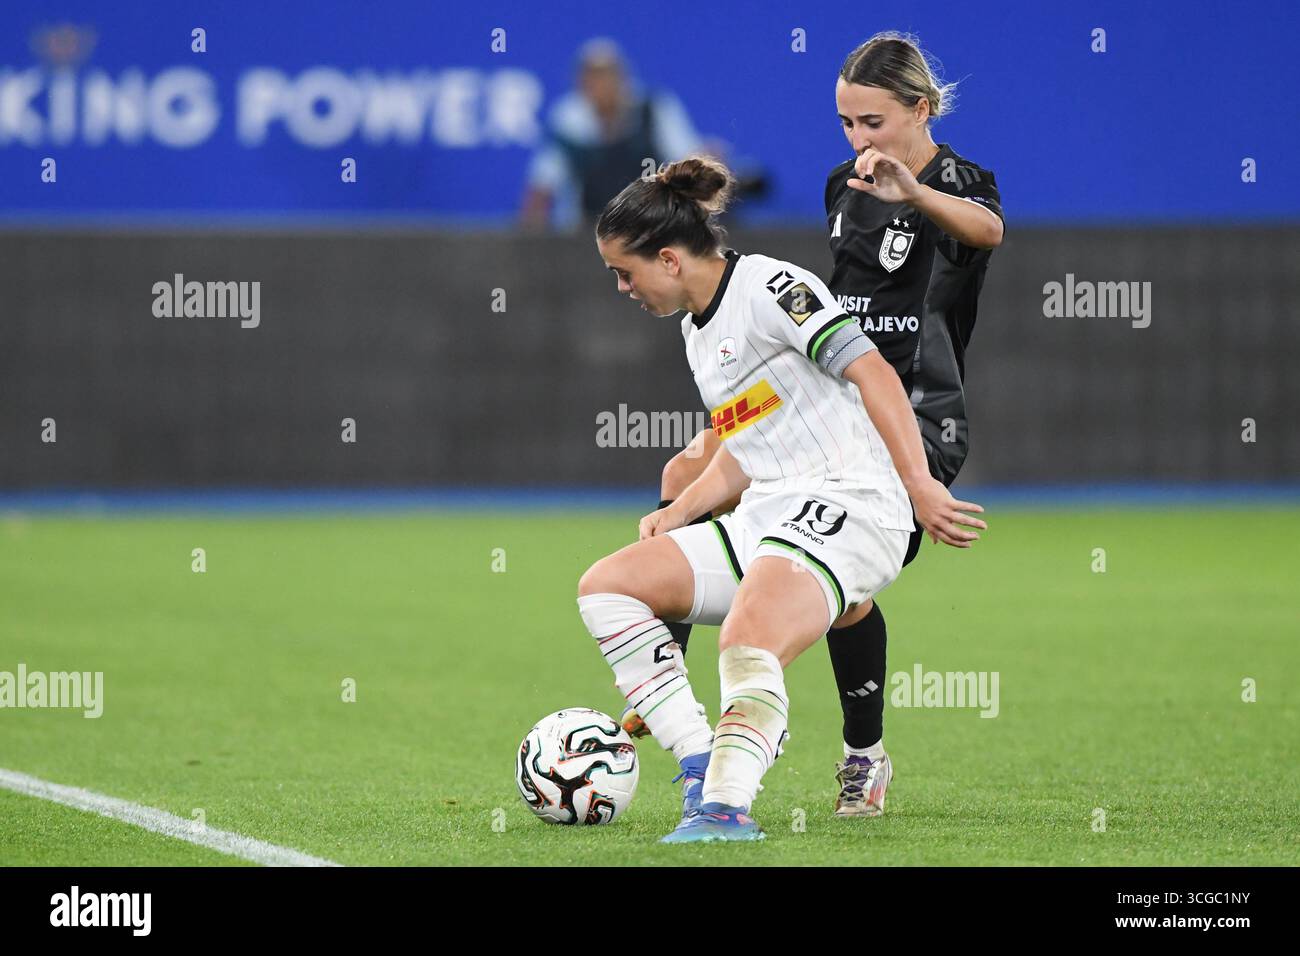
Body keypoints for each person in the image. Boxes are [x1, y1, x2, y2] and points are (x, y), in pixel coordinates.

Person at [622, 32, 1004, 818]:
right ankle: (672, 705)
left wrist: (920, 483)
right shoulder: (843, 188)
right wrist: (740, 423)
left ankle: (861, 755)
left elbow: (987, 233)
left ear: (920, 111)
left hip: (914, 415)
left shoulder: (958, 185)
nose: (860, 142)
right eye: (846, 125)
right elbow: (829, 323)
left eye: (873, 122)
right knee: (682, 479)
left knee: (839, 579)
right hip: (822, 403)